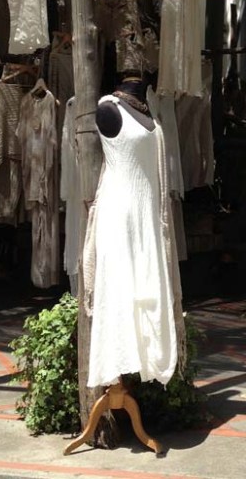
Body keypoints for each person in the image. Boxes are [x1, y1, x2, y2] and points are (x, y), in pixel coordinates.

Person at [84, 77, 185, 389]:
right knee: (118, 291)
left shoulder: (147, 110)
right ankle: (115, 369)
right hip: (120, 217)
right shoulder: (108, 108)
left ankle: (142, 364)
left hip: (147, 216)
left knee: (146, 289)